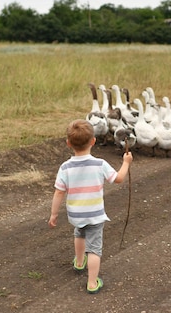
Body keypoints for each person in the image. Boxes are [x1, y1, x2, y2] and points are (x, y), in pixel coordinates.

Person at [48, 119, 133, 294]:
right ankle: (92, 282)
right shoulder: (99, 164)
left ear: (68, 143)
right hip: (94, 214)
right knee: (94, 248)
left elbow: (58, 193)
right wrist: (126, 163)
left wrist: (54, 214)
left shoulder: (65, 168)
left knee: (79, 233)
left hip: (76, 214)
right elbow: (118, 179)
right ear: (93, 141)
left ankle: (79, 262)